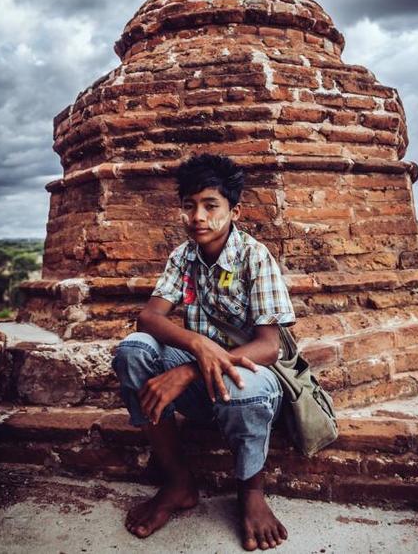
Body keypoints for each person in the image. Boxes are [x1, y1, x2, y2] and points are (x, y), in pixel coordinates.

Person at [112, 153, 296, 550]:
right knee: (133, 350)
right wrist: (199, 346)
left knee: (244, 387)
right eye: (189, 205)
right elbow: (150, 318)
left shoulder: (254, 257)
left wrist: (192, 369)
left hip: (250, 381)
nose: (198, 216)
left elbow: (269, 346)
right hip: (204, 387)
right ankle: (178, 483)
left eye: (211, 205)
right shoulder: (183, 257)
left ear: (234, 210)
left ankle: (250, 492)